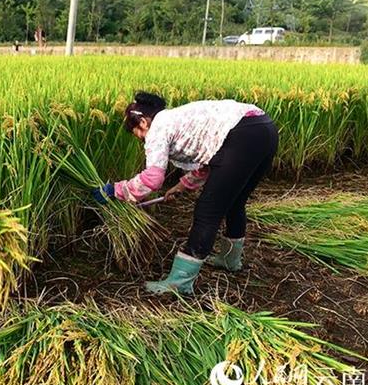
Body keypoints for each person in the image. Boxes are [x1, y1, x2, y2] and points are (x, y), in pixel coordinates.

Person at [92, 92, 278, 295]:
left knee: (207, 211)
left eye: (134, 130)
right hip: (263, 129)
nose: (139, 137)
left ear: (143, 122)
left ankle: (179, 283)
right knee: (234, 202)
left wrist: (115, 190)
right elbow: (213, 161)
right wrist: (182, 186)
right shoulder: (174, 118)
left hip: (241, 136)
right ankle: (230, 260)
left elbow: (153, 179)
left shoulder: (157, 129)